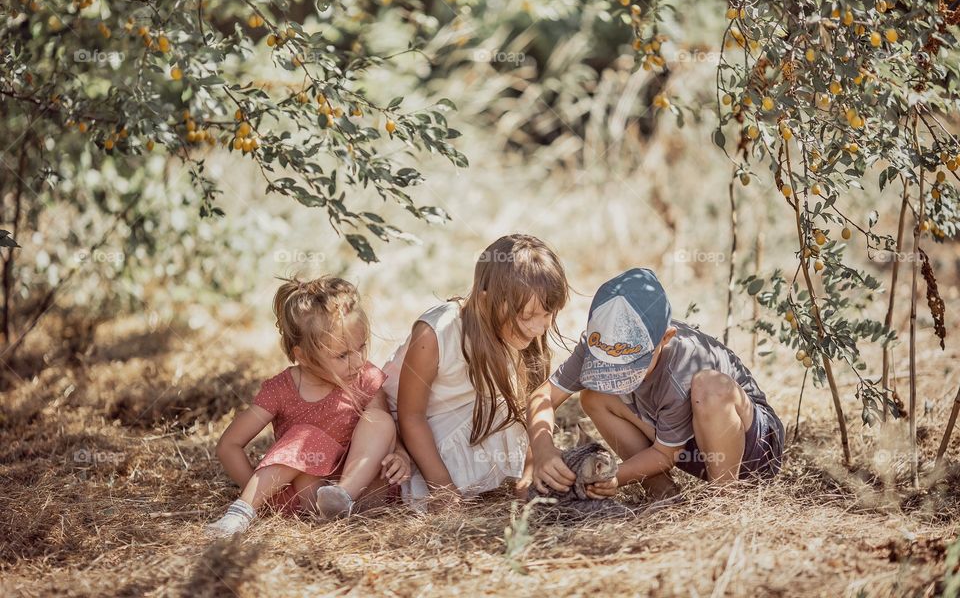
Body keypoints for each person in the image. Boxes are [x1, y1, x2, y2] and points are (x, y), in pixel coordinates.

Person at [528, 268, 784, 500]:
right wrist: (542, 448)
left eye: (630, 365)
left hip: (751, 448)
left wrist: (616, 478)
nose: (618, 374)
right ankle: (662, 493)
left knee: (709, 387)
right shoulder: (599, 343)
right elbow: (543, 396)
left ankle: (724, 499)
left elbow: (665, 455)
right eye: (608, 364)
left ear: (666, 337)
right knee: (593, 397)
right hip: (685, 445)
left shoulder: (685, 359)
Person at [205, 276, 410, 536]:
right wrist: (263, 497)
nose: (358, 361)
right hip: (307, 496)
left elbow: (387, 432)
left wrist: (401, 455)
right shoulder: (281, 390)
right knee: (307, 438)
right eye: (342, 355)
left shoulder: (365, 377)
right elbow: (228, 445)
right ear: (302, 355)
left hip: (363, 492)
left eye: (362, 347)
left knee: (380, 420)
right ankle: (241, 512)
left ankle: (341, 497)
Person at [381, 234, 569, 508]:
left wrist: (529, 473)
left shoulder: (524, 334)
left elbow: (528, 408)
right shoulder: (437, 333)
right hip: (411, 437)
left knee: (511, 409)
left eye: (547, 315)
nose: (539, 328)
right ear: (485, 301)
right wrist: (443, 490)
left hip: (465, 421)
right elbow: (411, 417)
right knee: (501, 410)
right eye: (527, 317)